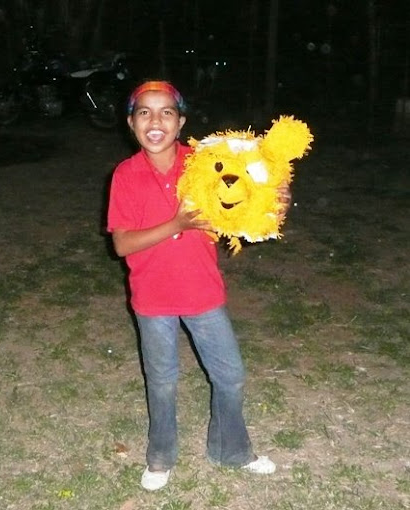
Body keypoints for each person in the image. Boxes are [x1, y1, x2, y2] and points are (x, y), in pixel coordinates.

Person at [107, 81, 285, 491]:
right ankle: (160, 457)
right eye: (145, 113)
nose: (156, 121)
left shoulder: (205, 163)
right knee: (163, 380)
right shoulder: (125, 175)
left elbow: (248, 199)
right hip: (152, 298)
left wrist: (275, 198)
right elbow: (121, 243)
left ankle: (231, 450)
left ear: (181, 121)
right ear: (131, 123)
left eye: (166, 112)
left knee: (231, 375)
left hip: (202, 291)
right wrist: (177, 225)